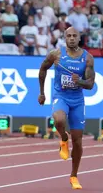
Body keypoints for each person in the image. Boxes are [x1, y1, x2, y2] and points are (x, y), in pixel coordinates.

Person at [38, 27, 95, 189]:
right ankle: (63, 138)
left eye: (74, 36)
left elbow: (90, 84)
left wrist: (80, 82)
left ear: (79, 38)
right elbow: (42, 69)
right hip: (60, 96)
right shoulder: (56, 55)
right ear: (65, 38)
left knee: (77, 141)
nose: (71, 38)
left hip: (77, 101)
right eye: (68, 36)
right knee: (59, 119)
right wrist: (42, 93)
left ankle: (74, 176)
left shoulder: (88, 58)